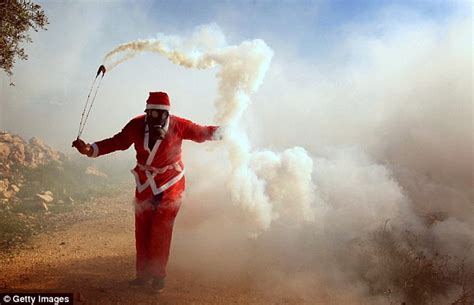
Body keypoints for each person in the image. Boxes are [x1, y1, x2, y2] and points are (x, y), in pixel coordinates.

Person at [72, 91, 221, 292]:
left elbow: (202, 132)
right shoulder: (136, 125)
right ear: (146, 112)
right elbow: (117, 142)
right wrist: (90, 149)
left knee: (161, 226)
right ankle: (142, 275)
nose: (155, 119)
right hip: (145, 182)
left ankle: (158, 277)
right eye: (151, 113)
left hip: (171, 181)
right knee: (142, 227)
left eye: (160, 114)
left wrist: (226, 132)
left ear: (167, 114)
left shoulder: (178, 125)